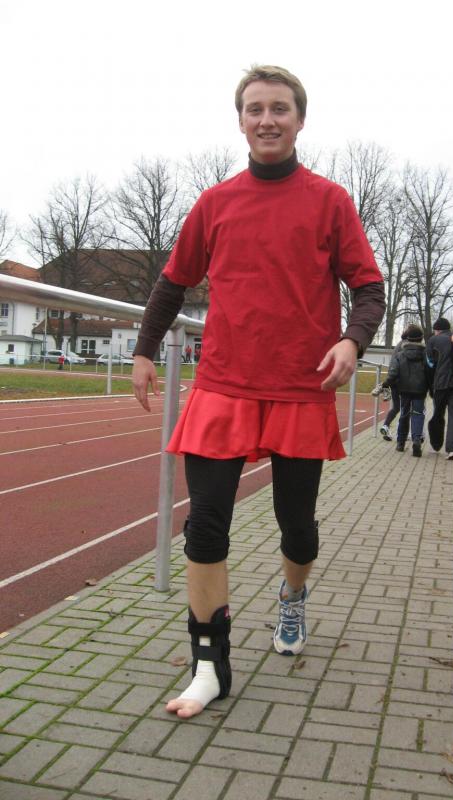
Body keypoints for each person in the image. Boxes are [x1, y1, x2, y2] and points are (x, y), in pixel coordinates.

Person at [131, 64, 385, 720]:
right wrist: (144, 350)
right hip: (224, 386)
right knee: (204, 523)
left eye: (279, 108)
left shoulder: (330, 201)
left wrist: (352, 341)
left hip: (301, 388)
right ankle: (209, 666)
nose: (266, 119)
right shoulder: (215, 203)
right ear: (241, 120)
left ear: (299, 120)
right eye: (255, 109)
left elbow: (368, 287)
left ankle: (292, 599)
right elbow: (171, 282)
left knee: (295, 524)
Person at [379, 324, 429, 456]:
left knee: (404, 414)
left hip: (404, 389)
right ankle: (416, 439)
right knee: (418, 414)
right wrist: (431, 387)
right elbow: (430, 372)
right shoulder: (425, 354)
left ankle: (400, 443)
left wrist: (386, 383)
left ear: (408, 338)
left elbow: (393, 372)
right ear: (421, 338)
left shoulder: (400, 354)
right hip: (420, 390)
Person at [426, 317, 453, 460]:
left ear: (437, 330)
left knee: (438, 414)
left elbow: (430, 365)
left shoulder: (433, 340)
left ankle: (436, 445)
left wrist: (430, 386)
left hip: (441, 384)